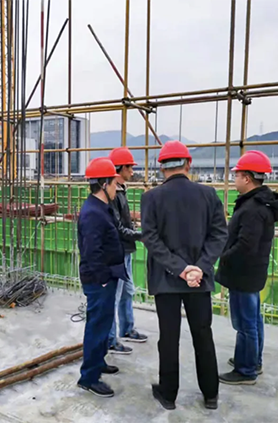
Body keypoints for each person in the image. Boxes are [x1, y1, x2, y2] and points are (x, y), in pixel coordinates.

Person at [141, 140, 228, 410]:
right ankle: (210, 394)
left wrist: (179, 269)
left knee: (169, 338)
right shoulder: (208, 194)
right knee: (203, 335)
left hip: (167, 280)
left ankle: (168, 395)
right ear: (188, 164)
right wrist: (199, 267)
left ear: (162, 168)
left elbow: (151, 239)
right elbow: (219, 234)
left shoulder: (151, 198)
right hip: (199, 280)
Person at [217, 151, 278, 385]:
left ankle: (246, 370)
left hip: (243, 274)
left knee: (245, 324)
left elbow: (245, 245)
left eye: (236, 175)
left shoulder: (253, 208)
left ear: (247, 178)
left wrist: (223, 257)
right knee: (253, 319)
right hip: (252, 272)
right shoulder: (259, 203)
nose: (234, 178)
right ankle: (253, 361)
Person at [77, 157, 128, 398]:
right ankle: (88, 377)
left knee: (103, 323)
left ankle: (98, 362)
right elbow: (91, 252)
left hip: (106, 277)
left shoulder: (101, 208)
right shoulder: (93, 213)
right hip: (99, 281)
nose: (117, 188)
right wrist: (104, 278)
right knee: (97, 326)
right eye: (114, 184)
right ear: (104, 184)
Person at [106, 147, 147, 356]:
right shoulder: (112, 192)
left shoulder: (121, 189)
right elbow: (118, 227)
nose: (132, 171)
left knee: (127, 292)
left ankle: (127, 328)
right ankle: (110, 340)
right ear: (120, 168)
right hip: (118, 251)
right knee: (115, 296)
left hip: (126, 249)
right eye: (130, 167)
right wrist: (141, 235)